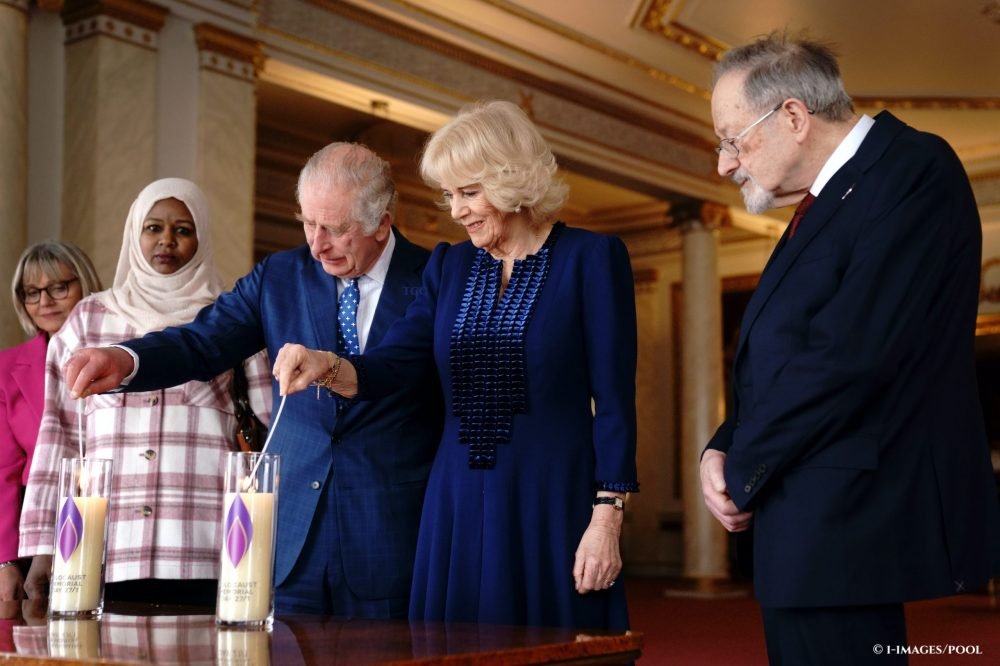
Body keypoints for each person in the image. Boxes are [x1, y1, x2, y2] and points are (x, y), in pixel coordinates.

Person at [271, 100, 640, 630]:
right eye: (449, 195)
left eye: (470, 192)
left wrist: (607, 515)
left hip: (551, 500)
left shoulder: (592, 258)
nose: (457, 209)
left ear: (513, 180)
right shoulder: (450, 264)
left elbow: (613, 401)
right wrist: (326, 363)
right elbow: (394, 365)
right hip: (455, 502)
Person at [698, 33, 1000, 664]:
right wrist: (722, 443)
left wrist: (742, 465)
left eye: (731, 139)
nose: (725, 164)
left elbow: (848, 355)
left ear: (792, 116)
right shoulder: (830, 200)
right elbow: (794, 352)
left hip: (847, 522)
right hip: (808, 514)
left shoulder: (911, 169)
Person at [58, 144, 442, 618]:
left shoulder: (434, 277)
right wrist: (126, 359)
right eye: (308, 222)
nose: (317, 244)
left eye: (336, 230)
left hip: (392, 532)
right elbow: (202, 341)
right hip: (290, 539)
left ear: (382, 222)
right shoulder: (279, 276)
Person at [19, 178, 272, 606]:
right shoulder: (87, 321)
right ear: (134, 233)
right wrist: (43, 543)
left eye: (183, 230)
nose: (166, 241)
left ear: (202, 238)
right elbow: (58, 436)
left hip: (209, 550)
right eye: (153, 228)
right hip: (101, 555)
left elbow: (269, 433)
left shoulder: (232, 321)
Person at [0, 241, 102, 601]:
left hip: (106, 513)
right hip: (37, 524)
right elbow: (4, 473)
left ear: (85, 285)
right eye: (32, 292)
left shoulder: (121, 352)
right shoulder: (7, 367)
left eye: (59, 287)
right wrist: (6, 561)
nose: (45, 301)